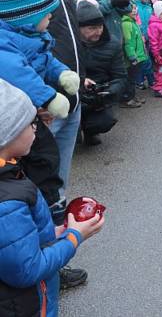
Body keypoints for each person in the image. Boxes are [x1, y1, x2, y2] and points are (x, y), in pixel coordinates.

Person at [0, 0, 86, 269]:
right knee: (31, 187)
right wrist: (31, 103)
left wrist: (74, 77)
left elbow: (55, 34)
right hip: (31, 110)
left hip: (64, 93)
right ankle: (37, 265)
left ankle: (51, 256)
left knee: (53, 183)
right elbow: (8, 52)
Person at [0, 79, 105, 317]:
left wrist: (50, 235)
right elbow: (27, 269)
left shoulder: (9, 171)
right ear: (8, 134)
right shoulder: (7, 202)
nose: (37, 128)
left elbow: (11, 245)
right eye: (30, 123)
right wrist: (74, 238)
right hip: (25, 306)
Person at [0, 0, 77, 122]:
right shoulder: (3, 44)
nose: (50, 15)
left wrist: (61, 73)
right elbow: (17, 74)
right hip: (16, 119)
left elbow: (44, 59)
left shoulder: (30, 36)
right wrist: (48, 98)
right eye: (44, 12)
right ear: (25, 17)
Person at [75, 0, 127, 145]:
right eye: (91, 28)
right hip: (74, 89)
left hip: (99, 93)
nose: (98, 31)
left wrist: (109, 92)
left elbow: (120, 76)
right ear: (79, 28)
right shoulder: (70, 44)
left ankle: (91, 131)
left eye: (100, 26)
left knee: (105, 121)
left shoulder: (113, 44)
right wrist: (80, 80)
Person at [132, 0, 155, 89]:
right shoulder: (135, 7)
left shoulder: (149, 7)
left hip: (150, 37)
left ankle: (151, 80)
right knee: (143, 60)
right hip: (140, 38)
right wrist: (141, 34)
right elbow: (137, 22)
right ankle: (141, 81)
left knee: (149, 59)